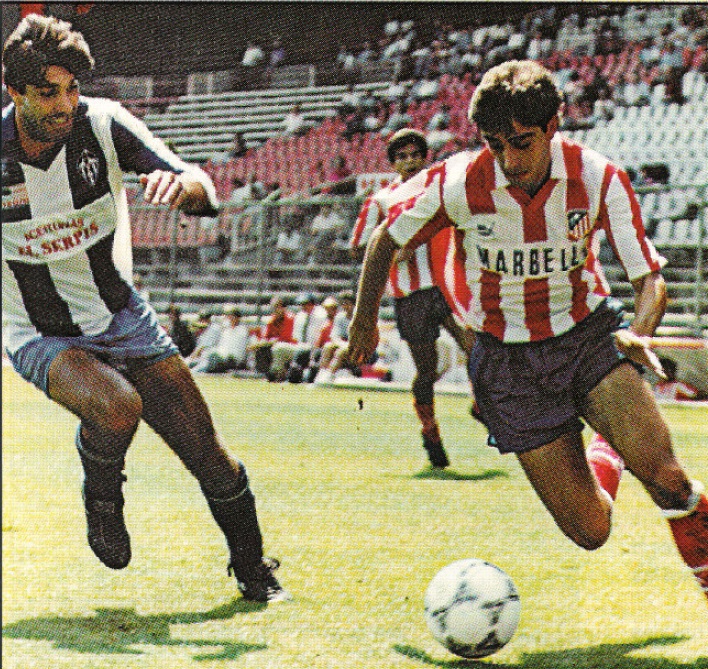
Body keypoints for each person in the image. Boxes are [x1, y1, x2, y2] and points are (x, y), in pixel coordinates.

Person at [346, 60, 708, 659]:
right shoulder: (458, 183)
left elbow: (649, 279)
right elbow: (385, 240)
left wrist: (639, 334)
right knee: (591, 531)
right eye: (495, 144)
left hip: (587, 340)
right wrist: (364, 320)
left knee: (668, 479)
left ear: (553, 125)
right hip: (507, 363)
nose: (509, 158)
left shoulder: (597, 177)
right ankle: (605, 448)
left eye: (521, 142)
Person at [1, 16, 287, 602]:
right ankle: (102, 496)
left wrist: (186, 189)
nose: (65, 104)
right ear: (15, 92)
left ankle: (256, 572)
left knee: (208, 455)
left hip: (123, 317)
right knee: (116, 406)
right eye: (48, 92)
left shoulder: (102, 126)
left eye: (72, 89)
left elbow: (197, 184)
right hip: (36, 329)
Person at [349, 129, 471, 469]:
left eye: (414, 155)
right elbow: (358, 244)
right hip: (410, 297)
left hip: (446, 289)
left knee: (475, 345)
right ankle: (430, 431)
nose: (409, 162)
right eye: (401, 157)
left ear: (424, 157)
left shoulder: (441, 192)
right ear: (393, 163)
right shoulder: (381, 201)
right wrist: (392, 252)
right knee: (426, 370)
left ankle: (483, 405)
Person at [200, 306, 250, 373]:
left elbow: (236, 351)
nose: (230, 318)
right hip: (224, 358)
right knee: (208, 355)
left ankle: (196, 372)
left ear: (237, 317)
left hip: (233, 360)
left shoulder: (242, 330)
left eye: (232, 316)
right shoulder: (226, 330)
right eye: (229, 316)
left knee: (212, 359)